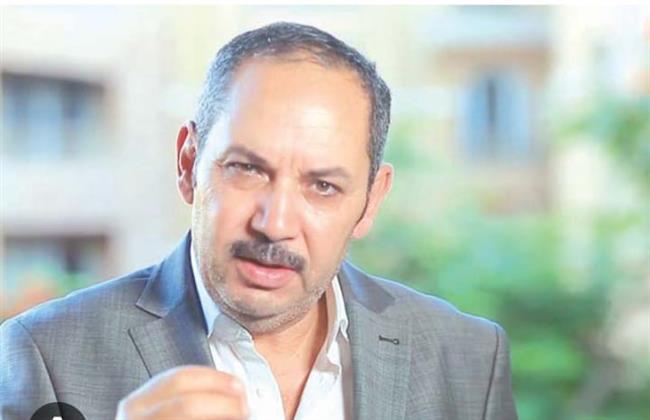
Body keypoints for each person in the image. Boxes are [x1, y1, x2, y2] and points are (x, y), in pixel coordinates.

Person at [0, 22, 517, 420]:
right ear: (188, 164)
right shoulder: (44, 354)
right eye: (247, 169)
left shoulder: (468, 358)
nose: (275, 224)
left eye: (323, 186)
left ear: (371, 201)